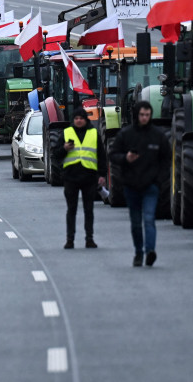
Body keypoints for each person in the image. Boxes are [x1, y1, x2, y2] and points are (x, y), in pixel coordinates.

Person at [108, 100, 170, 267]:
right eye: (142, 115)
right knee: (136, 223)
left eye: (147, 115)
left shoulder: (158, 136)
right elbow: (113, 155)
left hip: (151, 186)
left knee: (149, 219)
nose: (144, 118)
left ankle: (150, 251)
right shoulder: (126, 135)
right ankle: (138, 253)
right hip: (131, 185)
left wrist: (160, 181)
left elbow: (166, 159)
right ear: (137, 115)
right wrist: (125, 159)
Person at [55, 107, 105, 249]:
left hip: (89, 177)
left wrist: (102, 175)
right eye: (76, 118)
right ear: (73, 120)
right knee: (72, 209)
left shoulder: (94, 133)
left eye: (81, 118)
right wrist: (64, 148)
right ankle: (70, 239)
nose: (78, 120)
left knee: (89, 210)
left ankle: (89, 239)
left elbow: (101, 156)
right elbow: (56, 154)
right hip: (71, 177)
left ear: (85, 119)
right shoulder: (66, 133)